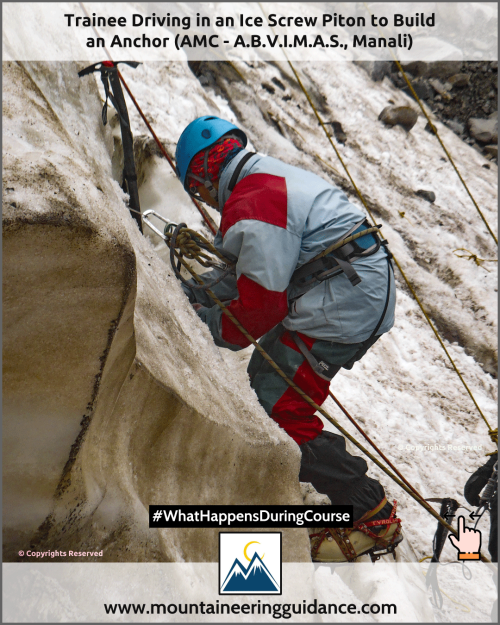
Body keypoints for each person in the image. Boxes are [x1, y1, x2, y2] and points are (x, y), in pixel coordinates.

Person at [175, 115, 401, 560]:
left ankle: (369, 512)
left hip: (343, 303)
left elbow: (258, 310)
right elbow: (246, 272)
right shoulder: (261, 178)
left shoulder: (255, 202)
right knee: (266, 384)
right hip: (350, 287)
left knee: (278, 408)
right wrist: (190, 295)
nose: (201, 198)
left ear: (203, 171)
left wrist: (203, 323)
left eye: (196, 188)